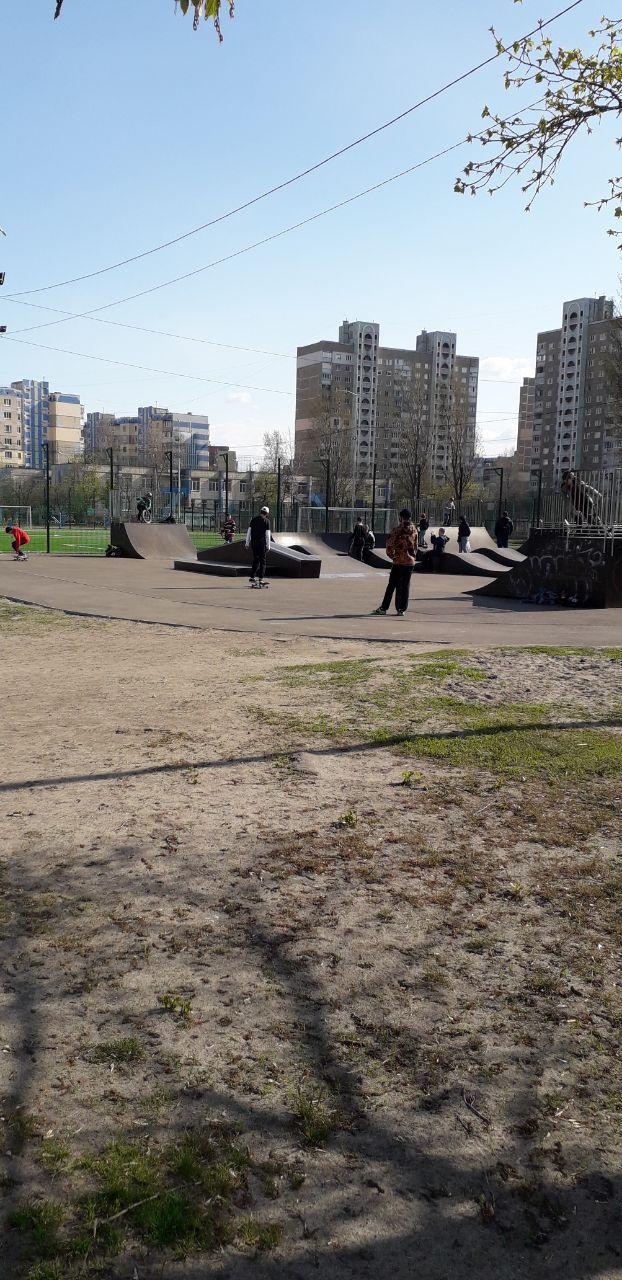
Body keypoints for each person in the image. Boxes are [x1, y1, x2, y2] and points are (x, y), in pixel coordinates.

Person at [371, 509, 417, 617]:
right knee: (405, 586)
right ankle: (401, 609)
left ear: (401, 517)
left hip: (399, 561)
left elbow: (389, 544)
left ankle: (384, 608)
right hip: (410, 562)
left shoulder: (397, 529)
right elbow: (416, 545)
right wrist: (413, 557)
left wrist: (392, 556)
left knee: (392, 585)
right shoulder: (414, 529)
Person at [245, 505, 271, 586]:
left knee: (256, 559)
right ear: (267, 514)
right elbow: (267, 535)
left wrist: (247, 543)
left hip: (254, 543)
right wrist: (268, 545)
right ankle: (261, 579)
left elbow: (249, 531)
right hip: (262, 543)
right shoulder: (267, 521)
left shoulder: (253, 520)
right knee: (262, 561)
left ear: (260, 512)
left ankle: (252, 577)